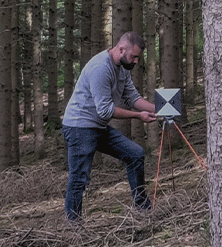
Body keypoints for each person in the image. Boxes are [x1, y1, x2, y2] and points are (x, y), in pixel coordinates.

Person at [60, 31, 156, 225]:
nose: (136, 61)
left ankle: (142, 210)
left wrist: (161, 109)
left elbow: (132, 98)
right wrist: (138, 116)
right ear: (121, 49)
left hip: (97, 126)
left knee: (135, 154)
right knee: (79, 178)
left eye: (138, 57)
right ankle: (73, 226)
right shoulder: (100, 67)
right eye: (134, 56)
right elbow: (105, 111)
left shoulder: (123, 68)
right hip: (79, 127)